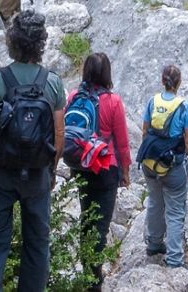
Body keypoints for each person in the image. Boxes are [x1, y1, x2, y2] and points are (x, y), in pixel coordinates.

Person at [0, 10, 66, 292]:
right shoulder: (52, 83)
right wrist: (50, 172)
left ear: (11, 42)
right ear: (41, 45)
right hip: (36, 174)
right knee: (37, 244)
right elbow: (58, 134)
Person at [66, 52, 131, 291]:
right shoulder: (113, 101)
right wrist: (126, 171)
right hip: (105, 167)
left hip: (80, 165)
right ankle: (94, 282)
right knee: (100, 227)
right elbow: (122, 142)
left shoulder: (73, 96)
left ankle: (88, 273)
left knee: (86, 220)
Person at [138, 64, 188, 270]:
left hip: (150, 162)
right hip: (172, 165)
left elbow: (145, 131)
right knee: (175, 211)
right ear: (179, 83)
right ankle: (174, 259)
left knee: (154, 201)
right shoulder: (184, 107)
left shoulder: (152, 101)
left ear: (162, 81)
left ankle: (154, 244)